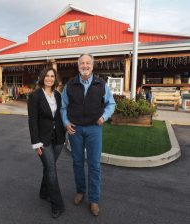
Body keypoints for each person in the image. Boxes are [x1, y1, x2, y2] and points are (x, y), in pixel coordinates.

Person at [61, 53, 116, 216]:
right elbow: (63, 107)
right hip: (75, 130)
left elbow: (111, 104)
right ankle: (80, 191)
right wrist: (65, 123)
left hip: (94, 129)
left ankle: (94, 199)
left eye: (87, 63)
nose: (85, 66)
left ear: (92, 66)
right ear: (78, 66)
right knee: (77, 163)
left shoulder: (101, 84)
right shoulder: (70, 85)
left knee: (94, 165)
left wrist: (104, 117)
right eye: (82, 63)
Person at [27, 67, 66, 219]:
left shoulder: (57, 94)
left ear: (55, 79)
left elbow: (60, 115)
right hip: (43, 140)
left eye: (52, 76)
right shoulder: (35, 96)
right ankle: (57, 204)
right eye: (47, 76)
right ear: (42, 77)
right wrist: (36, 143)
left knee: (49, 167)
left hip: (58, 138)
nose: (49, 78)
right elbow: (32, 120)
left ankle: (44, 193)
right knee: (51, 169)